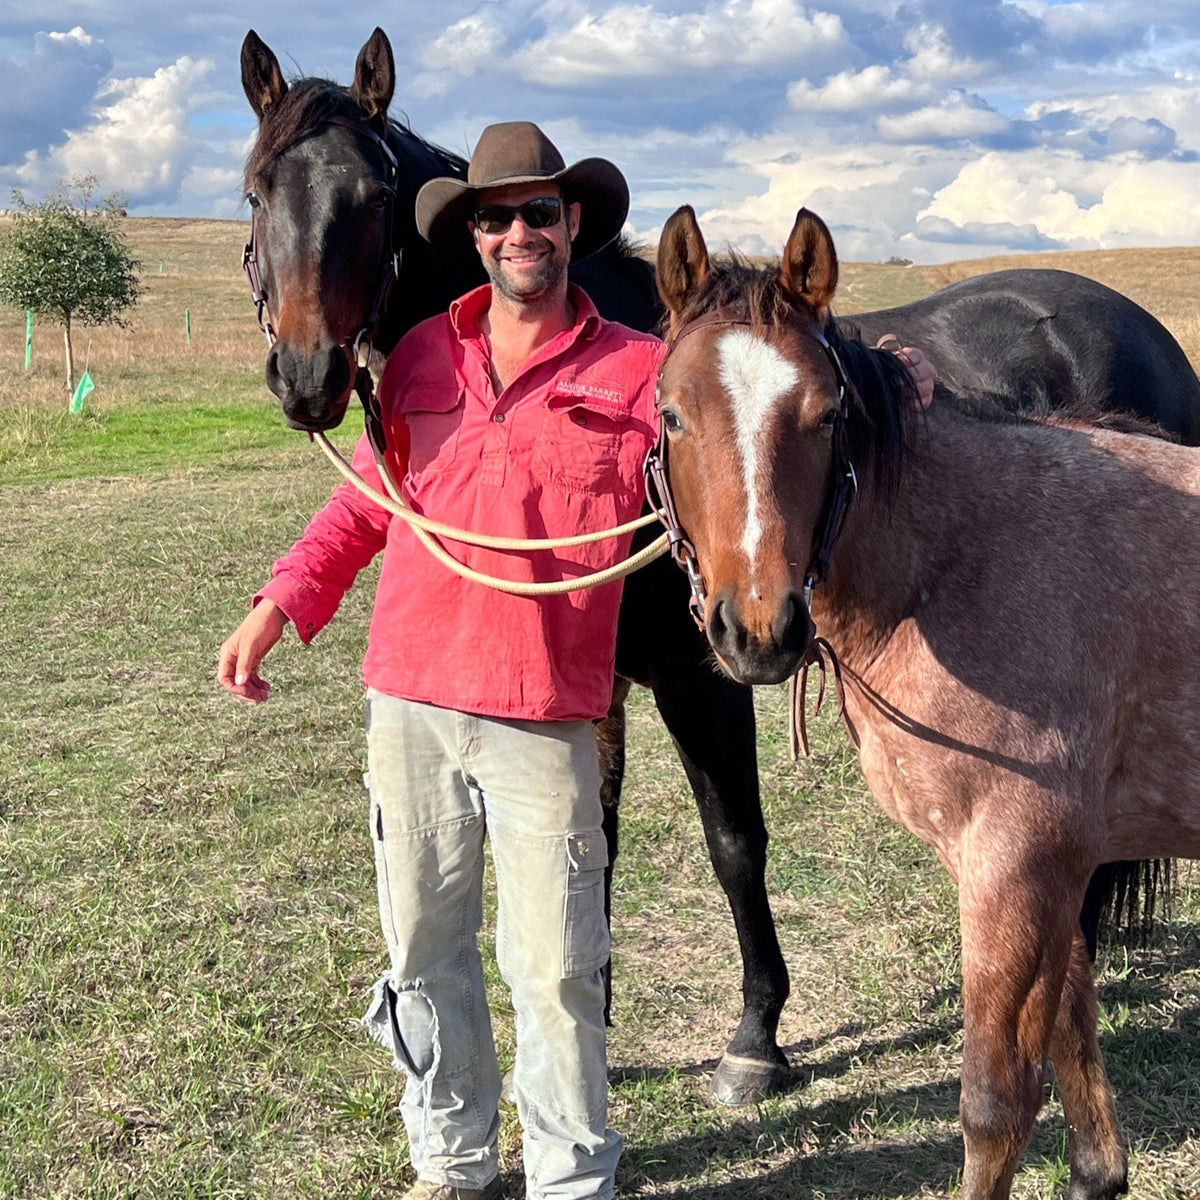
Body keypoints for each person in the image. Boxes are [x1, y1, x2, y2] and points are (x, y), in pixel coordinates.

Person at [217, 121, 935, 1200]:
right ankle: (452, 1162)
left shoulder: (647, 371)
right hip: (409, 698)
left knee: (554, 967)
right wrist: (281, 601)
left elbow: (751, 413)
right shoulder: (420, 356)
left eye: (539, 214)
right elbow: (367, 502)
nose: (518, 233)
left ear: (573, 227)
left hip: (544, 707)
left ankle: (569, 1176)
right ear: (472, 236)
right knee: (424, 954)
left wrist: (896, 380)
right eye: (496, 217)